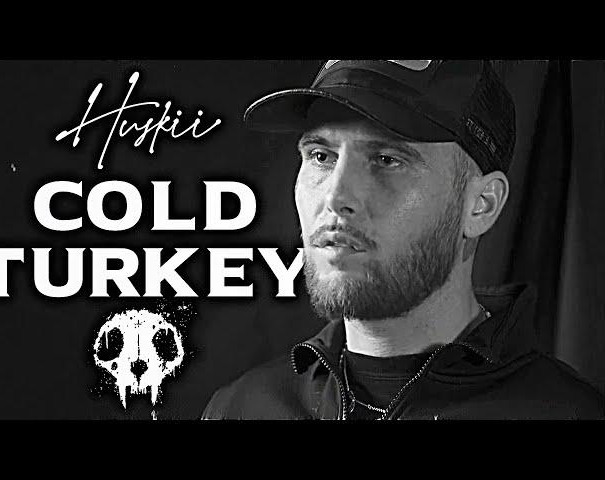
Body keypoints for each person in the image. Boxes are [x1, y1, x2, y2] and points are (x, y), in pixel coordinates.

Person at [202, 60, 604, 420]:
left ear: (481, 205)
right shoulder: (240, 408)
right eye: (321, 156)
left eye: (387, 160)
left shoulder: (568, 413)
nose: (336, 197)